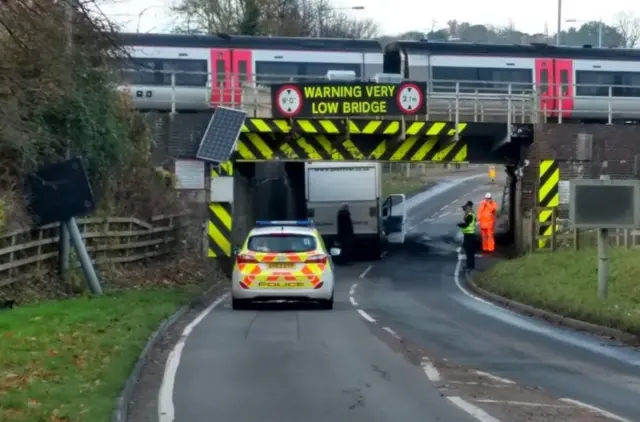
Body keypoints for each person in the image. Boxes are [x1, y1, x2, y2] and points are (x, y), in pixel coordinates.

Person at [457, 201, 476, 272]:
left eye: (466, 208)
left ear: (469, 208)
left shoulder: (470, 215)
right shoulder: (470, 214)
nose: (465, 210)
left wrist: (459, 224)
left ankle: (470, 266)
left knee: (470, 251)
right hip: (468, 235)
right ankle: (469, 265)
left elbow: (466, 224)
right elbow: (467, 221)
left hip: (470, 235)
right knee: (468, 251)